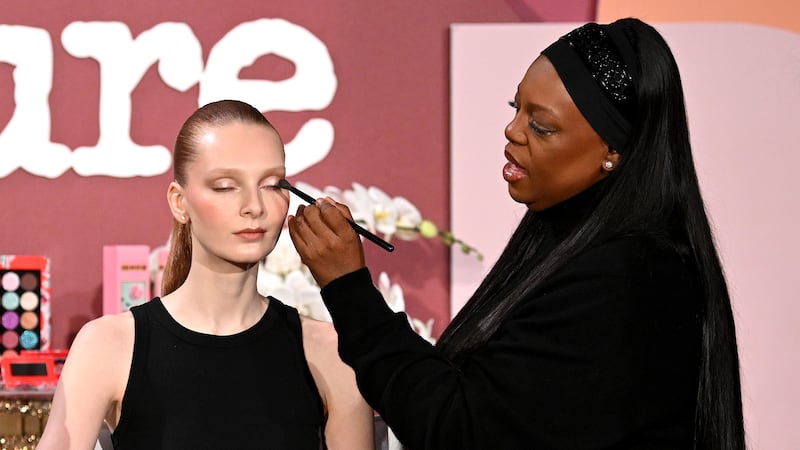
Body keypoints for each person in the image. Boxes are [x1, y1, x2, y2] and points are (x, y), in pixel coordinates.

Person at [286, 18, 745, 449]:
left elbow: (462, 430)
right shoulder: (583, 244)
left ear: (613, 152)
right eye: (516, 109)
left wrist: (348, 290)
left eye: (541, 126)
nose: (512, 131)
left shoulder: (628, 277)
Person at [38, 100, 374, 450]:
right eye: (225, 186)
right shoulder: (108, 346)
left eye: (273, 184)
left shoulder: (330, 351)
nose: (254, 207)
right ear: (179, 202)